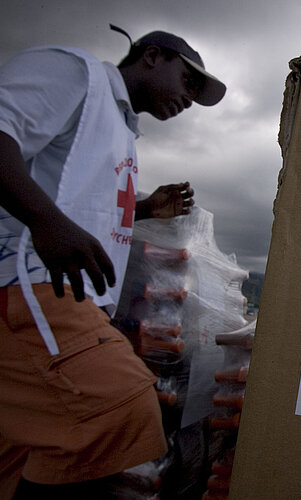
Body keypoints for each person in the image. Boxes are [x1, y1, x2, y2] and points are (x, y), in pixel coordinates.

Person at [0, 25, 226, 498]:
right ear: (151, 57)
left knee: (24, 446)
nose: (189, 99)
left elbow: (78, 203)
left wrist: (144, 209)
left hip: (63, 297)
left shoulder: (121, 130)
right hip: (32, 286)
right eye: (187, 81)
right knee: (121, 409)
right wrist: (43, 221)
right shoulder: (75, 72)